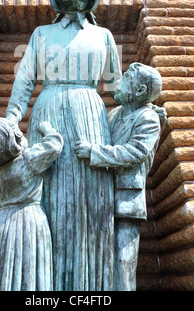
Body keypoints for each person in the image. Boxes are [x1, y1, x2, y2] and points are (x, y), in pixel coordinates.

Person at [5, 0, 122, 291]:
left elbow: (118, 88)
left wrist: (144, 110)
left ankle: (91, 287)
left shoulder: (103, 35)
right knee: (48, 199)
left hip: (90, 116)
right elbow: (25, 79)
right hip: (49, 114)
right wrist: (12, 118)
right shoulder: (42, 34)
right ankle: (45, 285)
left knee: (93, 202)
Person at [75, 62, 162, 291]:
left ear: (141, 91)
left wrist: (94, 152)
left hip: (126, 201)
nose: (120, 82)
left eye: (128, 78)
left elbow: (136, 152)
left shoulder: (148, 118)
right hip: (100, 195)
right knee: (101, 262)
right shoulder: (114, 114)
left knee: (123, 264)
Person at [0, 117, 63, 291]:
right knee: (27, 269)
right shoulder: (29, 160)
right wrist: (48, 130)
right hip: (28, 221)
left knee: (1, 269)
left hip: (2, 222)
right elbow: (54, 145)